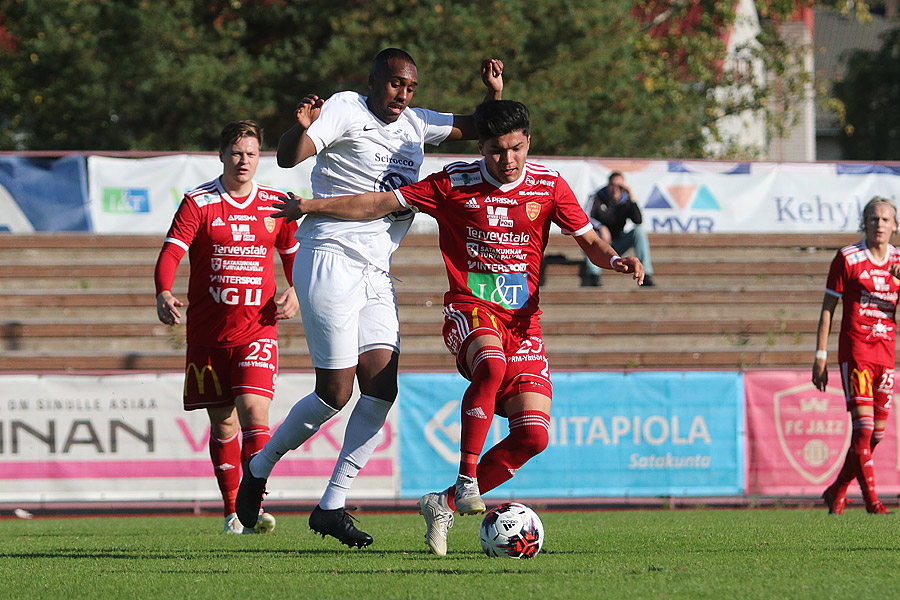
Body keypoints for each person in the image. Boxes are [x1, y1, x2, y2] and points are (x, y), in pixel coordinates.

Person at [271, 99, 644, 555]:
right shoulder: (453, 183)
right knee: (490, 363)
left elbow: (589, 241)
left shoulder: (549, 185)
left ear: (528, 141)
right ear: (481, 147)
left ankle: (443, 503)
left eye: (516, 148)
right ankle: (468, 480)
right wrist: (312, 205)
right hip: (469, 310)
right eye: (495, 150)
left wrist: (615, 260)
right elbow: (379, 203)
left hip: (523, 325)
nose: (507, 160)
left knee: (533, 436)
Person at [235, 48, 504, 548]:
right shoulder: (345, 108)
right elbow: (288, 157)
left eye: (411, 87)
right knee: (335, 394)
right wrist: (299, 128)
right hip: (330, 255)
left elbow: (482, 126)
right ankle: (259, 467)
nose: (403, 95)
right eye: (396, 84)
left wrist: (494, 94)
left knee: (381, 389)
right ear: (374, 80)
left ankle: (331, 506)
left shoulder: (416, 124)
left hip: (377, 270)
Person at [154, 120, 299, 534]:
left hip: (258, 330)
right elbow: (170, 254)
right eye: (236, 153)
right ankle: (232, 511)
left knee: (254, 413)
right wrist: (164, 291)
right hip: (207, 334)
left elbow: (294, 259)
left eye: (251, 154)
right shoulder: (198, 203)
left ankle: (252, 504)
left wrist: (296, 290)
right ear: (221, 155)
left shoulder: (275, 203)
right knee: (223, 425)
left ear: (260, 158)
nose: (243, 161)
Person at [814, 196, 900, 515]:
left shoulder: (898, 263)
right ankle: (872, 501)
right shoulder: (848, 258)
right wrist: (820, 355)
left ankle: (837, 489)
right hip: (857, 351)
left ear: (895, 226)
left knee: (876, 434)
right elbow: (828, 309)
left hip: (886, 355)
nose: (879, 225)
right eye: (873, 219)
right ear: (864, 222)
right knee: (862, 429)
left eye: (885, 220)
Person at [581, 171, 655, 287]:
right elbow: (584, 218)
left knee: (639, 231)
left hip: (617, 243)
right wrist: (601, 227)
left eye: (620, 187)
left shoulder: (626, 200)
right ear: (607, 185)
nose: (616, 190)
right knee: (589, 234)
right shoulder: (597, 197)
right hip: (599, 245)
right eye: (613, 186)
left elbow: (638, 220)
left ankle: (646, 275)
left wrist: (631, 197)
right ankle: (593, 276)